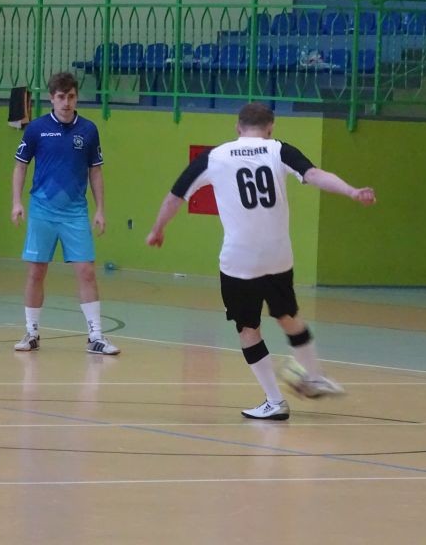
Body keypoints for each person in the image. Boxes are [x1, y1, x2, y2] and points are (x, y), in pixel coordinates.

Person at [145, 103, 376, 420]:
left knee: (248, 328)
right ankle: (314, 375)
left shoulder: (215, 156)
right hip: (278, 256)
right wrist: (351, 191)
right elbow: (314, 175)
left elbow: (175, 197)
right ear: (270, 127)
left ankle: (274, 401)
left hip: (240, 261)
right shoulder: (278, 150)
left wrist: (157, 229)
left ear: (237, 127)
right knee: (288, 316)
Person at [11, 72, 119, 355]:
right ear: (52, 98)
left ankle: (95, 336)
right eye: (61, 97)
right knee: (36, 271)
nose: (66, 102)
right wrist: (16, 202)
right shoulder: (36, 129)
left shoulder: (89, 130)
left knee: (86, 271)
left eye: (71, 96)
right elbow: (20, 166)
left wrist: (100, 209)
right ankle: (31, 333)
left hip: (75, 213)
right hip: (42, 211)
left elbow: (95, 171)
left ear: (76, 97)